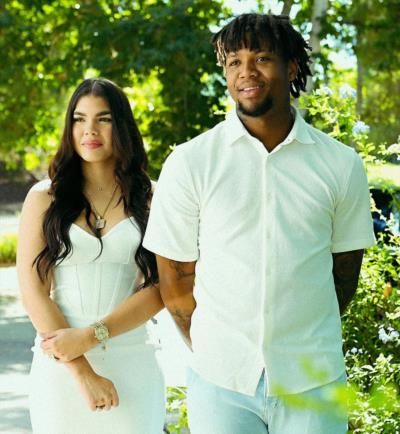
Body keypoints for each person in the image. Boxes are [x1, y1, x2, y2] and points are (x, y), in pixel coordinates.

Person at [142, 13, 376, 434]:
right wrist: (221, 350)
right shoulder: (191, 162)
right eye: (233, 62)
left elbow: (344, 275)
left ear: (291, 67)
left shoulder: (340, 165)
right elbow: (175, 282)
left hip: (314, 382)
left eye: (262, 58)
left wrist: (299, 339)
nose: (246, 72)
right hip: (220, 383)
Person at [17, 78, 165, 434]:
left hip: (133, 360)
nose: (89, 130)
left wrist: (92, 335)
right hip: (61, 363)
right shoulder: (44, 198)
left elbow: (162, 288)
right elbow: (33, 289)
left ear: (122, 126)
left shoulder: (153, 198)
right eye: (79, 119)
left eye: (104, 119)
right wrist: (82, 370)